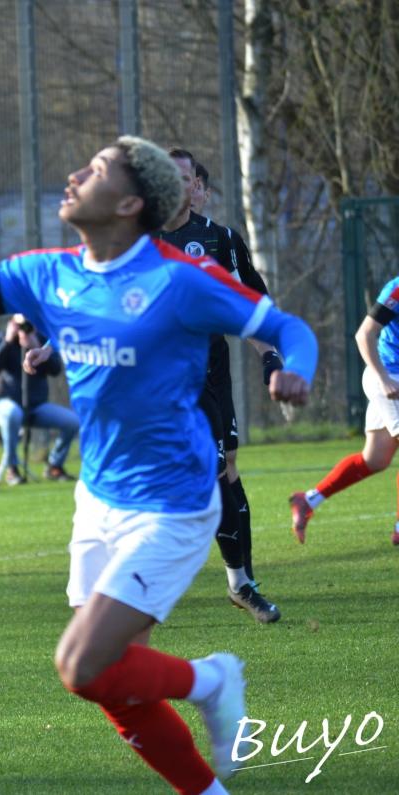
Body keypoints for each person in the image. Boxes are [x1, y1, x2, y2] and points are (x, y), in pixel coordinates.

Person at [0, 136, 316, 795]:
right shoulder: (47, 273)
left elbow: (288, 328)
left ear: (131, 203)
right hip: (98, 500)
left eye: (97, 170)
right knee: (108, 680)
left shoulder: (178, 279)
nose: (75, 174)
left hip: (172, 504)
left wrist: (295, 368)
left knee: (80, 663)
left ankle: (211, 678)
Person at [154, 148, 285, 624]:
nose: (180, 186)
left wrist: (270, 358)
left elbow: (253, 305)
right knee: (210, 466)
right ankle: (237, 582)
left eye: (186, 178)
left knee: (226, 467)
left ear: (195, 185)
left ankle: (240, 581)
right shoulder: (135, 241)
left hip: (210, 371)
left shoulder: (220, 240)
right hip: (158, 379)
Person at [290, 275, 399, 546]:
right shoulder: (396, 289)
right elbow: (365, 334)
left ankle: (308, 500)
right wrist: (383, 378)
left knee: (375, 459)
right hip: (388, 376)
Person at [0, 313, 78, 485]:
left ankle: (54, 466)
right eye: (21, 324)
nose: (24, 329)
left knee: (72, 421)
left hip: (35, 407)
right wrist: (7, 341)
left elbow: (56, 370)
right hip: (3, 403)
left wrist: (37, 345)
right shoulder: (2, 337)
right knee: (13, 414)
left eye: (28, 324)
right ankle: (12, 469)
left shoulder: (42, 339)